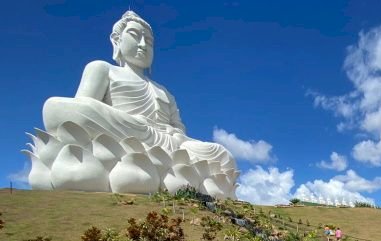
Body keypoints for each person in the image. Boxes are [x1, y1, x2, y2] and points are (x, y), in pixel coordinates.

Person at [40, 11, 236, 178]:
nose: (143, 45)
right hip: (128, 130)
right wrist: (137, 123)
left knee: (222, 154)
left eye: (149, 41)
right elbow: (81, 107)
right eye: (135, 36)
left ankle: (161, 162)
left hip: (166, 142)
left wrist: (173, 133)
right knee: (56, 108)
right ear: (117, 40)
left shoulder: (164, 91)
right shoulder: (102, 69)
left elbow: (179, 131)